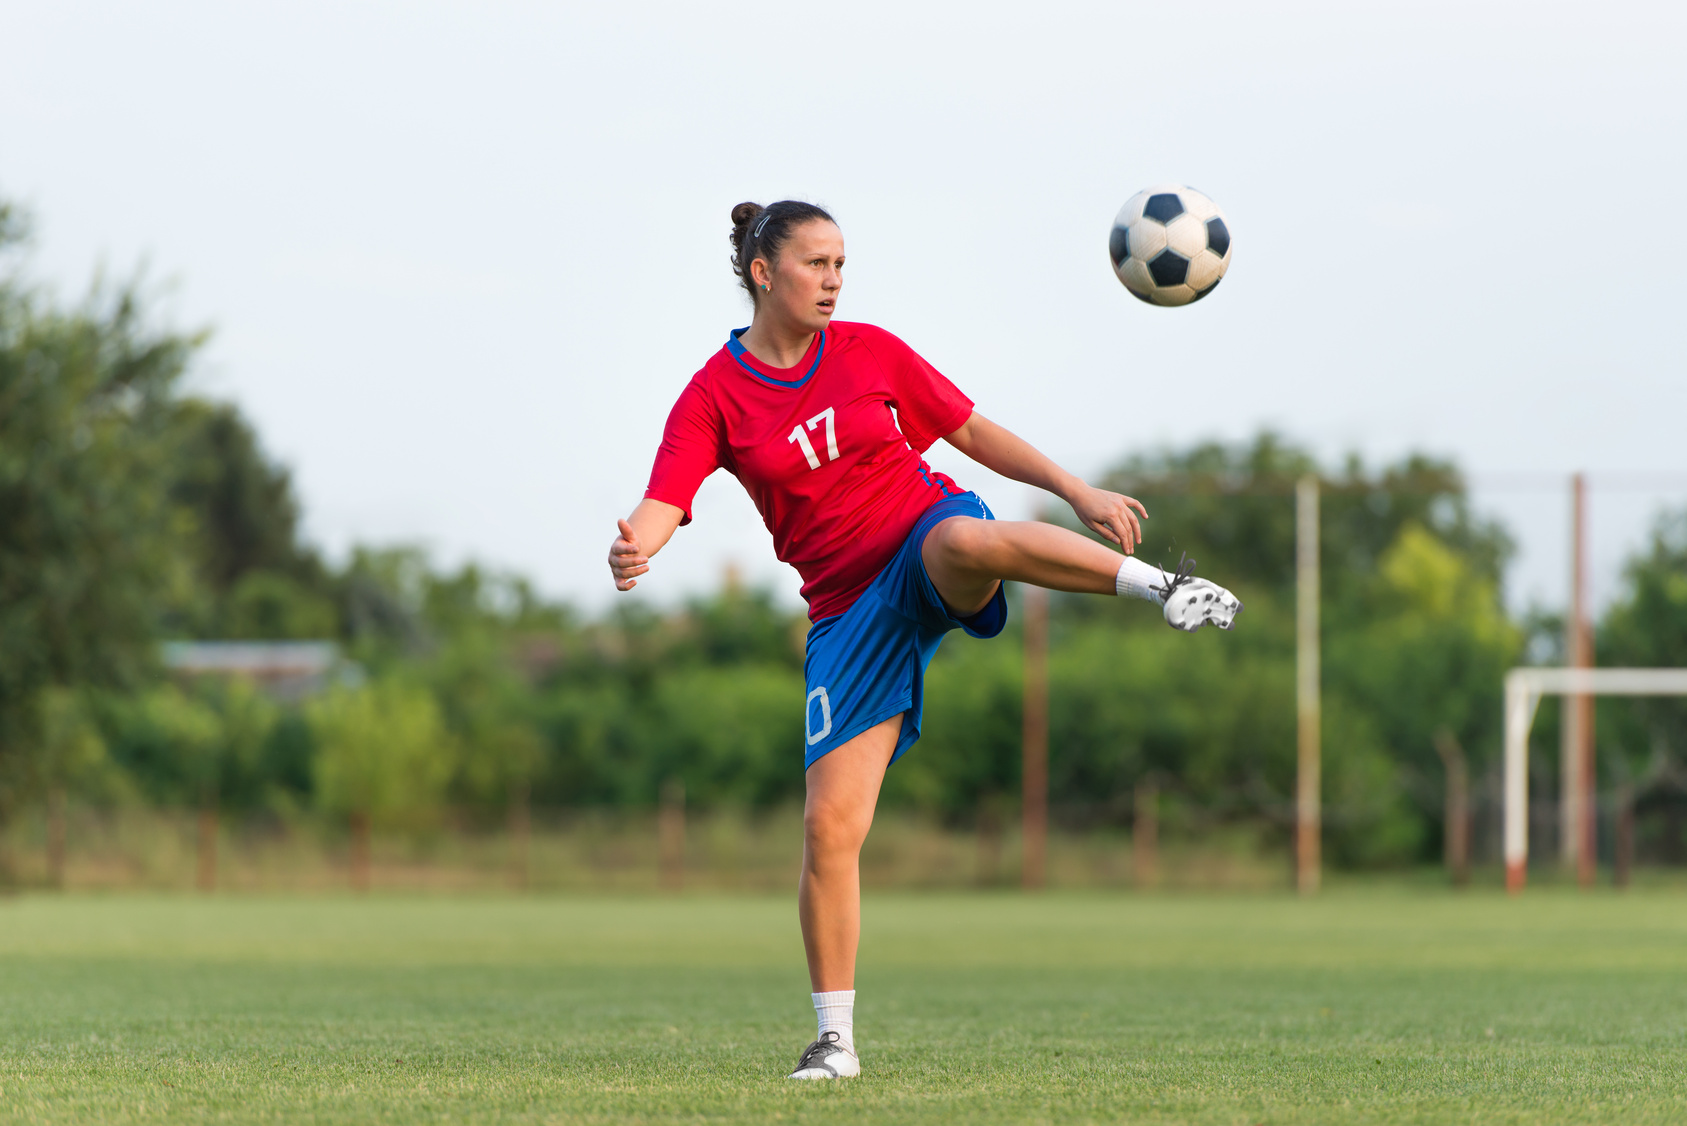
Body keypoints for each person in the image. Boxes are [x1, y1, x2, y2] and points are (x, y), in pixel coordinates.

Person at [608, 200, 1241, 1081]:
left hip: (920, 539)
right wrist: (638, 542)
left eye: (841, 263)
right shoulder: (714, 395)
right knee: (830, 829)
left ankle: (1163, 588)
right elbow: (668, 494)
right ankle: (834, 1042)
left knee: (962, 540)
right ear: (762, 271)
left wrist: (1074, 489)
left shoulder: (869, 349)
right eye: (816, 263)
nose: (833, 279)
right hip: (843, 613)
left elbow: (970, 431)